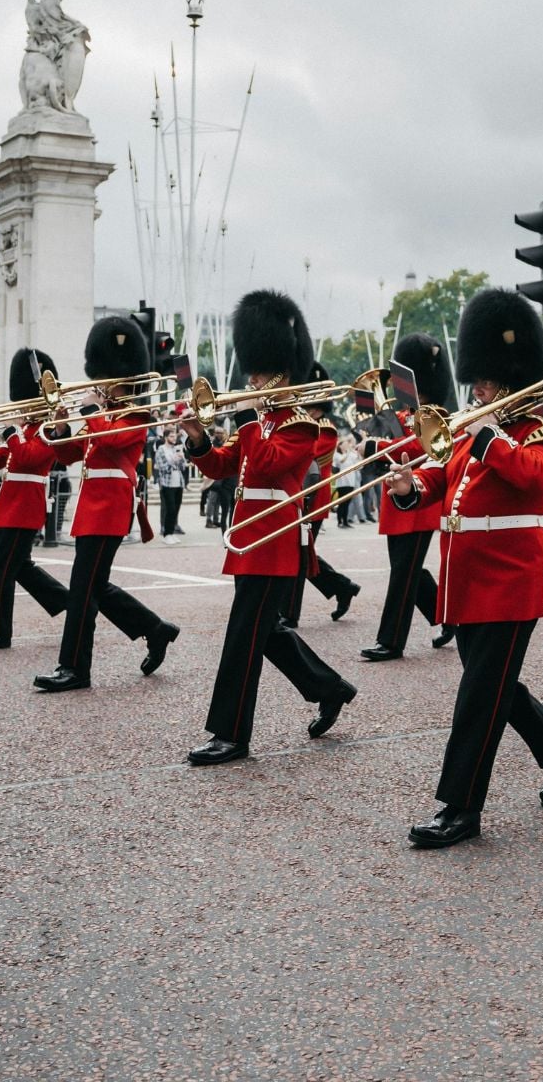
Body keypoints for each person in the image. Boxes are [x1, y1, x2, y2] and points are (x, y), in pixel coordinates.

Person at [387, 288, 543, 848]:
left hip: (510, 578)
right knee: (493, 689)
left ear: (510, 376)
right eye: (476, 380)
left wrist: (488, 435)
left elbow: (534, 477)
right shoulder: (472, 426)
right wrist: (411, 487)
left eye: (484, 381)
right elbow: (447, 480)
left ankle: (458, 808)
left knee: (480, 697)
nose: (475, 388)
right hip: (467, 577)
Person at [181, 290, 356, 766]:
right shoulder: (257, 421)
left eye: (256, 374)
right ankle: (330, 688)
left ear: (278, 374)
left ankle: (231, 734)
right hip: (249, 540)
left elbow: (267, 464)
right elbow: (223, 466)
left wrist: (245, 418)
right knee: (265, 632)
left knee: (244, 636)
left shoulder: (302, 427)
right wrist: (199, 441)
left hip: (273, 540)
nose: (249, 379)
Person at [32, 317, 180, 692]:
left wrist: (88, 412)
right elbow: (68, 456)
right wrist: (62, 428)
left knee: (84, 590)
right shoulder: (103, 414)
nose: (98, 383)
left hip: (112, 507)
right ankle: (154, 629)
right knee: (91, 586)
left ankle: (74, 668)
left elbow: (113, 442)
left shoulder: (135, 414)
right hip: (91, 507)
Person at [0, 348, 70, 650]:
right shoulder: (26, 430)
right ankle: (72, 603)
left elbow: (28, 458)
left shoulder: (48, 430)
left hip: (25, 507)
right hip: (13, 506)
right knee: (19, 567)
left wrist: (10, 430)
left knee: (3, 570)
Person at [360, 334, 454, 663]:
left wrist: (376, 447)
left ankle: (391, 641)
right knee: (408, 571)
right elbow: (391, 444)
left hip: (420, 500)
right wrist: (370, 437)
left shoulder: (435, 415)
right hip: (395, 497)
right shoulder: (401, 414)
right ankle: (447, 616)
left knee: (403, 574)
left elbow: (418, 449)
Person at [279, 363, 360, 629]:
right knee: (302, 553)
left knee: (299, 555)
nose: (307, 407)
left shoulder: (325, 429)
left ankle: (290, 613)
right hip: (297, 498)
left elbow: (305, 457)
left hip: (313, 500)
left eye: (311, 404)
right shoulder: (302, 423)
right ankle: (343, 586)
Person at [153, 427, 187, 544]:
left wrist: (182, 458)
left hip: (178, 482)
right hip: (167, 483)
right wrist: (174, 460)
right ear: (166, 437)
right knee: (170, 509)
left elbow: (183, 467)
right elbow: (163, 468)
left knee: (176, 509)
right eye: (172, 436)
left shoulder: (175, 449)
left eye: (175, 436)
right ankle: (166, 534)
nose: (174, 439)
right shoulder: (161, 450)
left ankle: (171, 533)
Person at [332, 434, 361, 527]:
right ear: (340, 446)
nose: (346, 446)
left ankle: (345, 521)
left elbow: (358, 465)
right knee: (342, 503)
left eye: (346, 444)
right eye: (344, 444)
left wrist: (357, 453)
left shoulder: (351, 454)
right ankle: (339, 521)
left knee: (347, 502)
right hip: (342, 483)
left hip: (350, 482)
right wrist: (348, 452)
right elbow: (341, 461)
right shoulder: (337, 455)